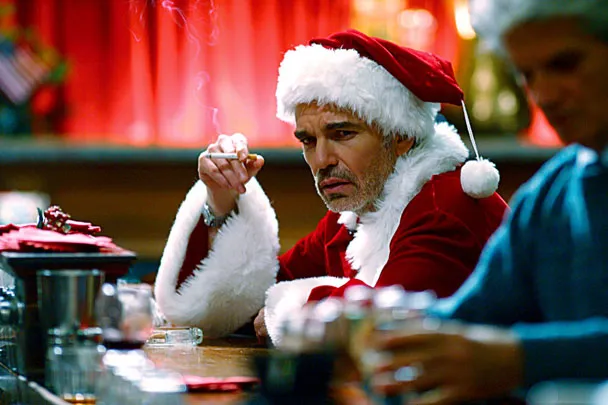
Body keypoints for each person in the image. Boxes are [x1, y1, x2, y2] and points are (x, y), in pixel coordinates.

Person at [153, 29, 507, 345]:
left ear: (400, 136)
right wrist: (221, 200)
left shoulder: (445, 209)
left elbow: (382, 330)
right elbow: (243, 304)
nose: (321, 160)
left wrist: (288, 309)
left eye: (342, 134)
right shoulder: (354, 215)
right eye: (308, 141)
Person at [367, 1, 608, 403]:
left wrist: (521, 360)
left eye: (565, 64)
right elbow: (474, 316)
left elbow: (498, 348)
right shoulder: (550, 194)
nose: (544, 95)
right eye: (527, 74)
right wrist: (377, 330)